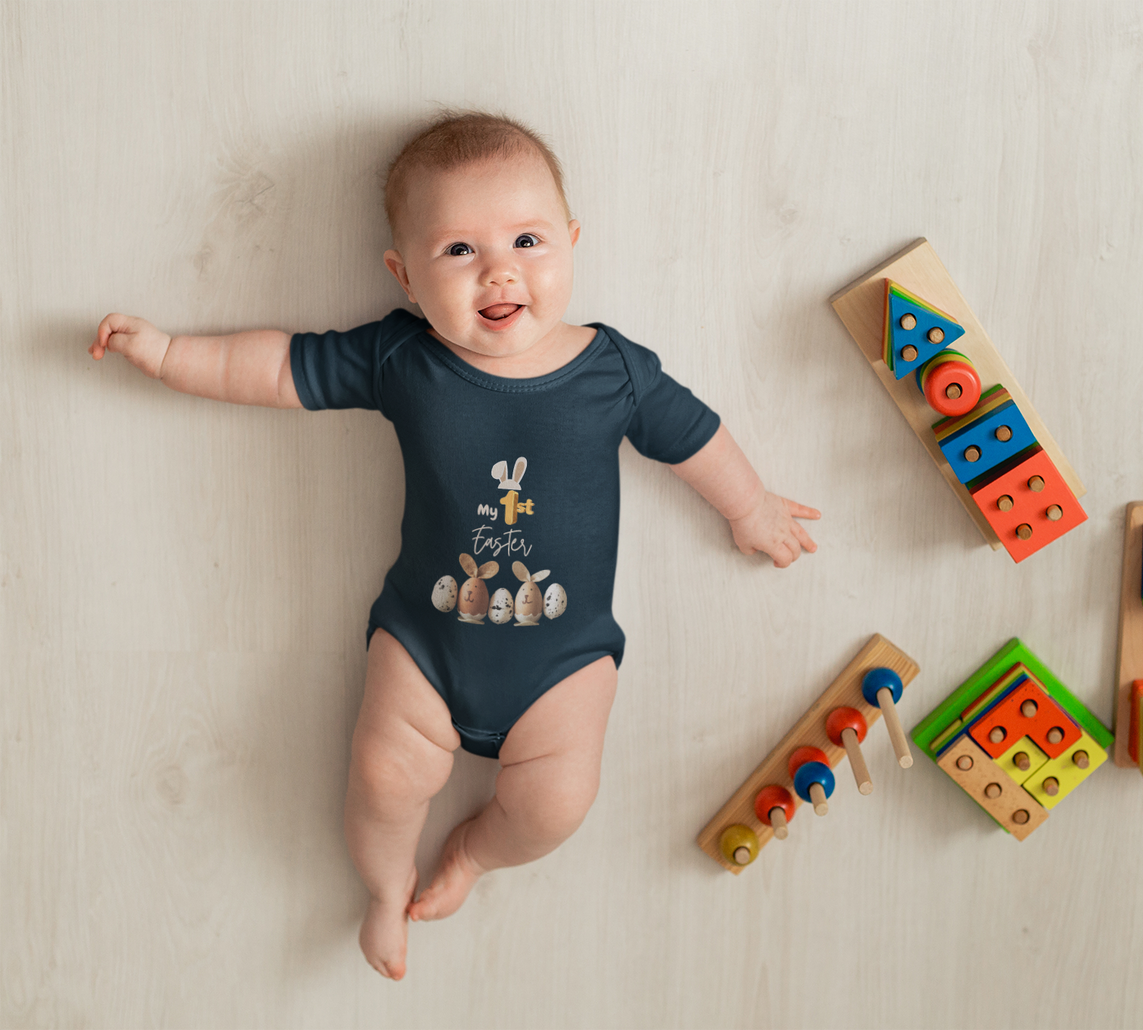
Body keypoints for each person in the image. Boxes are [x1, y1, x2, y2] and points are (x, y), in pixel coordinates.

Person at [90, 111, 820, 980]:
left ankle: (472, 856)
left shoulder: (613, 372)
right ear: (403, 274)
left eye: (525, 239)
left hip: (566, 660)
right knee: (383, 778)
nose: (499, 270)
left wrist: (750, 508)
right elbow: (281, 367)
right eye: (459, 252)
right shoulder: (405, 359)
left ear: (572, 243)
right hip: (424, 645)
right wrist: (171, 352)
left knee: (556, 806)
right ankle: (384, 885)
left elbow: (693, 437)